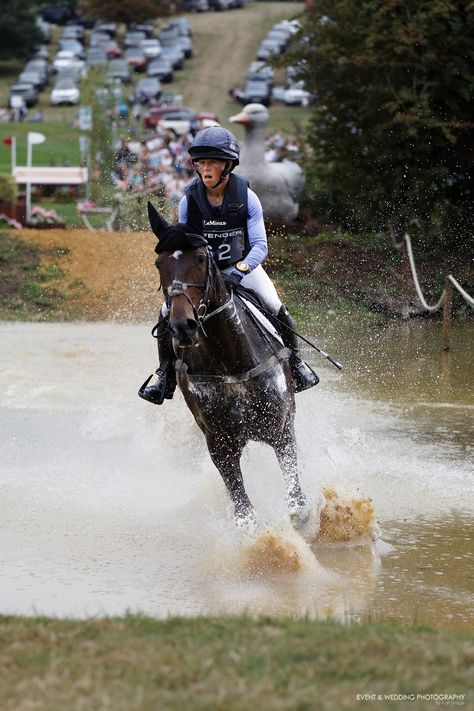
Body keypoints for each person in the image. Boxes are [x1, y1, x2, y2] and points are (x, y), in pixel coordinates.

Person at [139, 126, 318, 405]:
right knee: (165, 313)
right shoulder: (190, 199)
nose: (205, 168)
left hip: (241, 266)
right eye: (201, 162)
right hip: (203, 272)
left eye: (212, 162)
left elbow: (260, 246)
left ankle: (296, 365)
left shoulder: (247, 197)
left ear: (228, 165)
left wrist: (240, 272)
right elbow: (187, 245)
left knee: (274, 305)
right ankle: (165, 377)